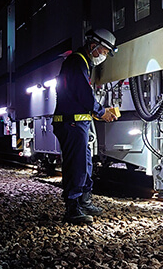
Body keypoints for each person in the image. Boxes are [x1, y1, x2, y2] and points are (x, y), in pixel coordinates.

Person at [52, 28, 118, 224]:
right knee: (76, 165)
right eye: (104, 52)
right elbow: (84, 94)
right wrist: (101, 111)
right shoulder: (77, 62)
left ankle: (84, 201)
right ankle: (72, 208)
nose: (104, 56)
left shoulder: (82, 63)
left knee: (85, 163)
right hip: (71, 122)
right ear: (93, 46)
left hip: (77, 122)